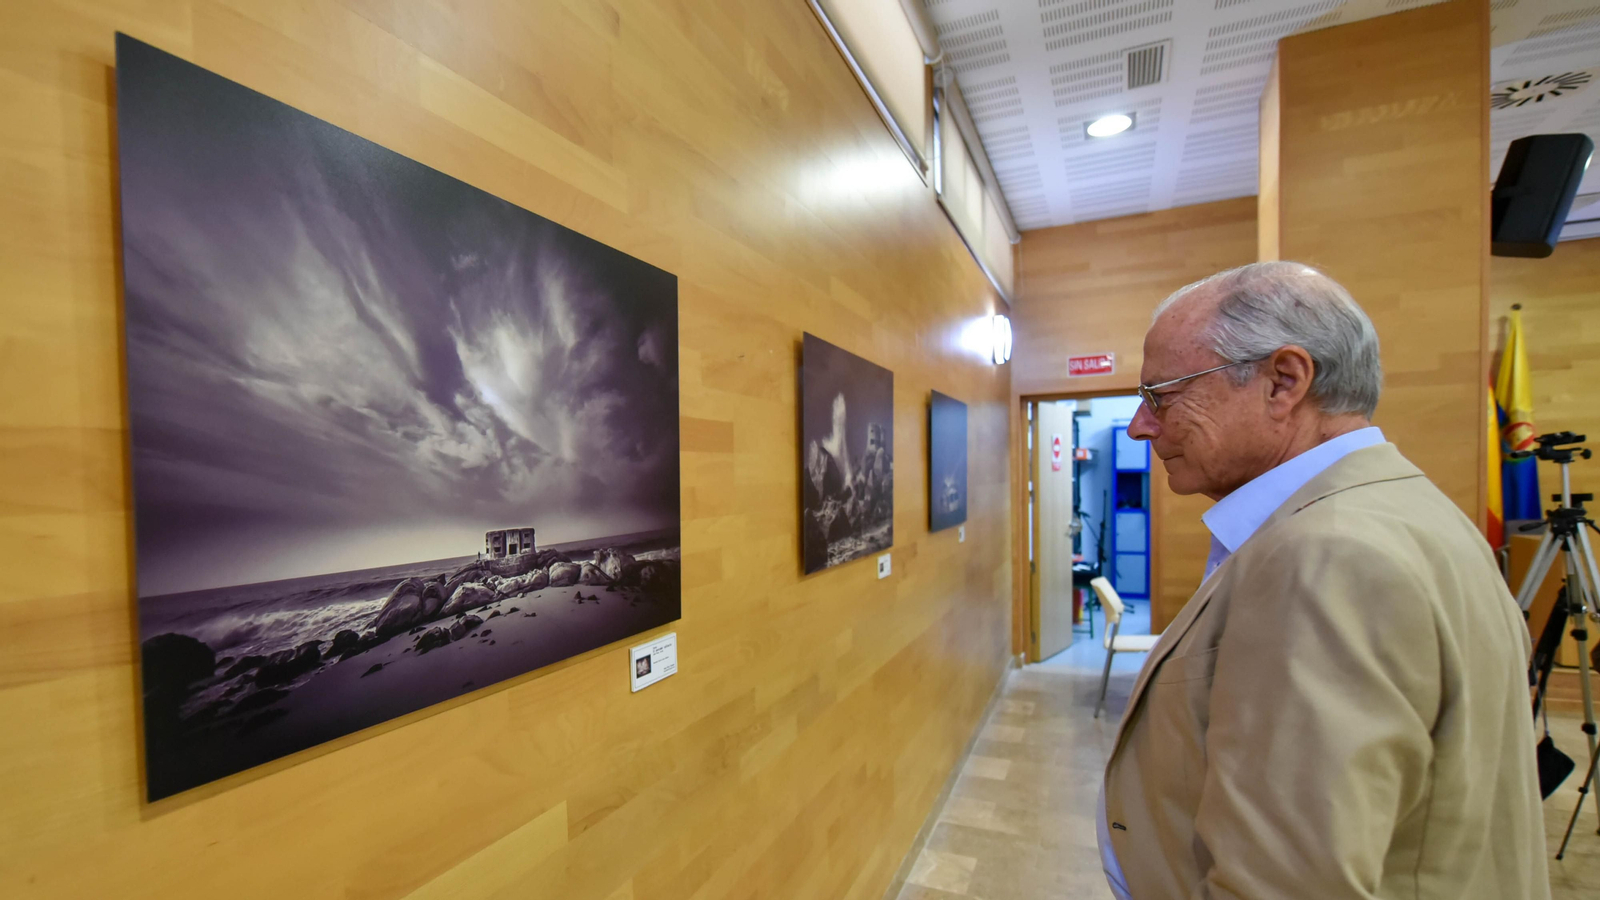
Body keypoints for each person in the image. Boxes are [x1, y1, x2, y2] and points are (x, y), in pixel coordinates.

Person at [1099, 261, 1550, 899]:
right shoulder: (1404, 510)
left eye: (1160, 395)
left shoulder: (1331, 557)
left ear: (1283, 381)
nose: (1141, 425)